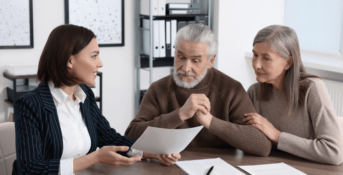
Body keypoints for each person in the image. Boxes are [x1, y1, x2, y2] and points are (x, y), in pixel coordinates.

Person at [13, 24, 180, 175]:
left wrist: (152, 152)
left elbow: (110, 138)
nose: (100, 63)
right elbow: (31, 168)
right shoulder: (30, 105)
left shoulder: (85, 96)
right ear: (70, 61)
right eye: (94, 56)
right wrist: (94, 158)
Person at [125, 24, 272, 157]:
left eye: (195, 61)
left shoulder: (231, 90)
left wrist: (211, 122)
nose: (185, 67)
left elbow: (262, 146)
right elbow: (130, 136)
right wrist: (180, 114)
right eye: (180, 57)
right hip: (169, 168)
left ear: (211, 60)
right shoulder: (158, 89)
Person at [244, 25, 343, 165]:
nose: (256, 65)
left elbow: (334, 153)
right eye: (255, 55)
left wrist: (277, 135)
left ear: (288, 63)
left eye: (266, 58)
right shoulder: (254, 92)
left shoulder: (312, 88)